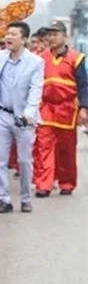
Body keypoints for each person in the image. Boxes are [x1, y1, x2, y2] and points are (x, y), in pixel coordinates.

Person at [0, 21, 45, 213]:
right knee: (0, 160)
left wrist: (29, 113)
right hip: (2, 114)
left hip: (24, 117)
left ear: (24, 39)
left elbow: (36, 90)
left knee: (24, 160)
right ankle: (4, 200)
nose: (8, 37)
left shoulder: (36, 62)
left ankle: (26, 198)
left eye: (13, 34)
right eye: (7, 33)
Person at [33, 20, 87, 196]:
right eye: (49, 34)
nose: (52, 38)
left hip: (67, 109)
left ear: (65, 36)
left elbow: (83, 84)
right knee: (44, 147)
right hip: (46, 108)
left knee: (66, 148)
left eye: (55, 34)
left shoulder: (76, 58)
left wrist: (84, 108)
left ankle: (66, 182)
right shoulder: (41, 58)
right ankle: (44, 184)